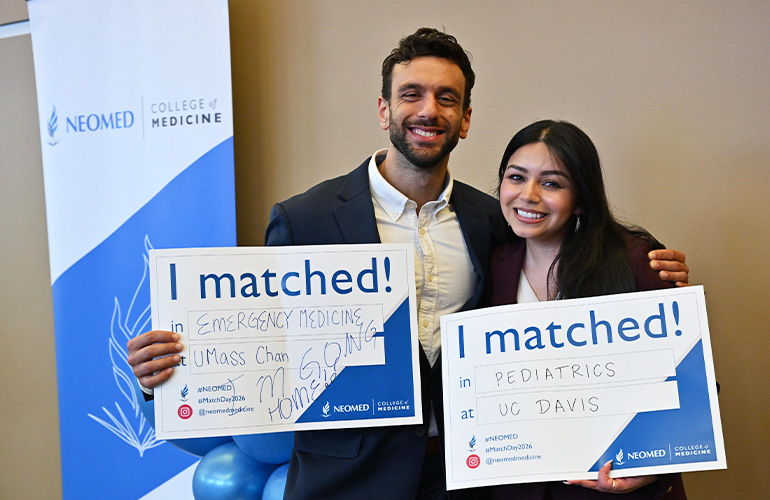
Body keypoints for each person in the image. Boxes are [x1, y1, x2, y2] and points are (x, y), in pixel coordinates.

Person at [127, 28, 689, 500]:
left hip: (470, 475)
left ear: (465, 119)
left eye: (447, 98)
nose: (428, 110)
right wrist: (171, 376)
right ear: (384, 109)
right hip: (347, 480)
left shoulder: (494, 219)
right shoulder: (305, 219)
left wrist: (653, 280)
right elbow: (261, 342)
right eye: (411, 94)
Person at [485, 119, 687, 499]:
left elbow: (691, 380)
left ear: (580, 198)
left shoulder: (635, 260)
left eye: (551, 183)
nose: (528, 195)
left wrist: (652, 468)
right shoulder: (491, 266)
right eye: (516, 177)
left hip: (613, 487)